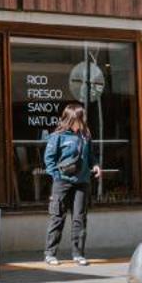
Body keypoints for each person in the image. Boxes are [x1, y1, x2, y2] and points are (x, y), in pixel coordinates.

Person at [42, 102, 101, 266]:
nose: (83, 121)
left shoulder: (85, 135)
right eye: (80, 118)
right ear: (71, 118)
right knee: (58, 217)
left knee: (80, 219)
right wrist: (57, 177)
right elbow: (49, 159)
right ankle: (50, 253)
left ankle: (78, 253)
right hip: (62, 182)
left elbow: (91, 156)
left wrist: (95, 165)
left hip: (82, 182)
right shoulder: (58, 136)